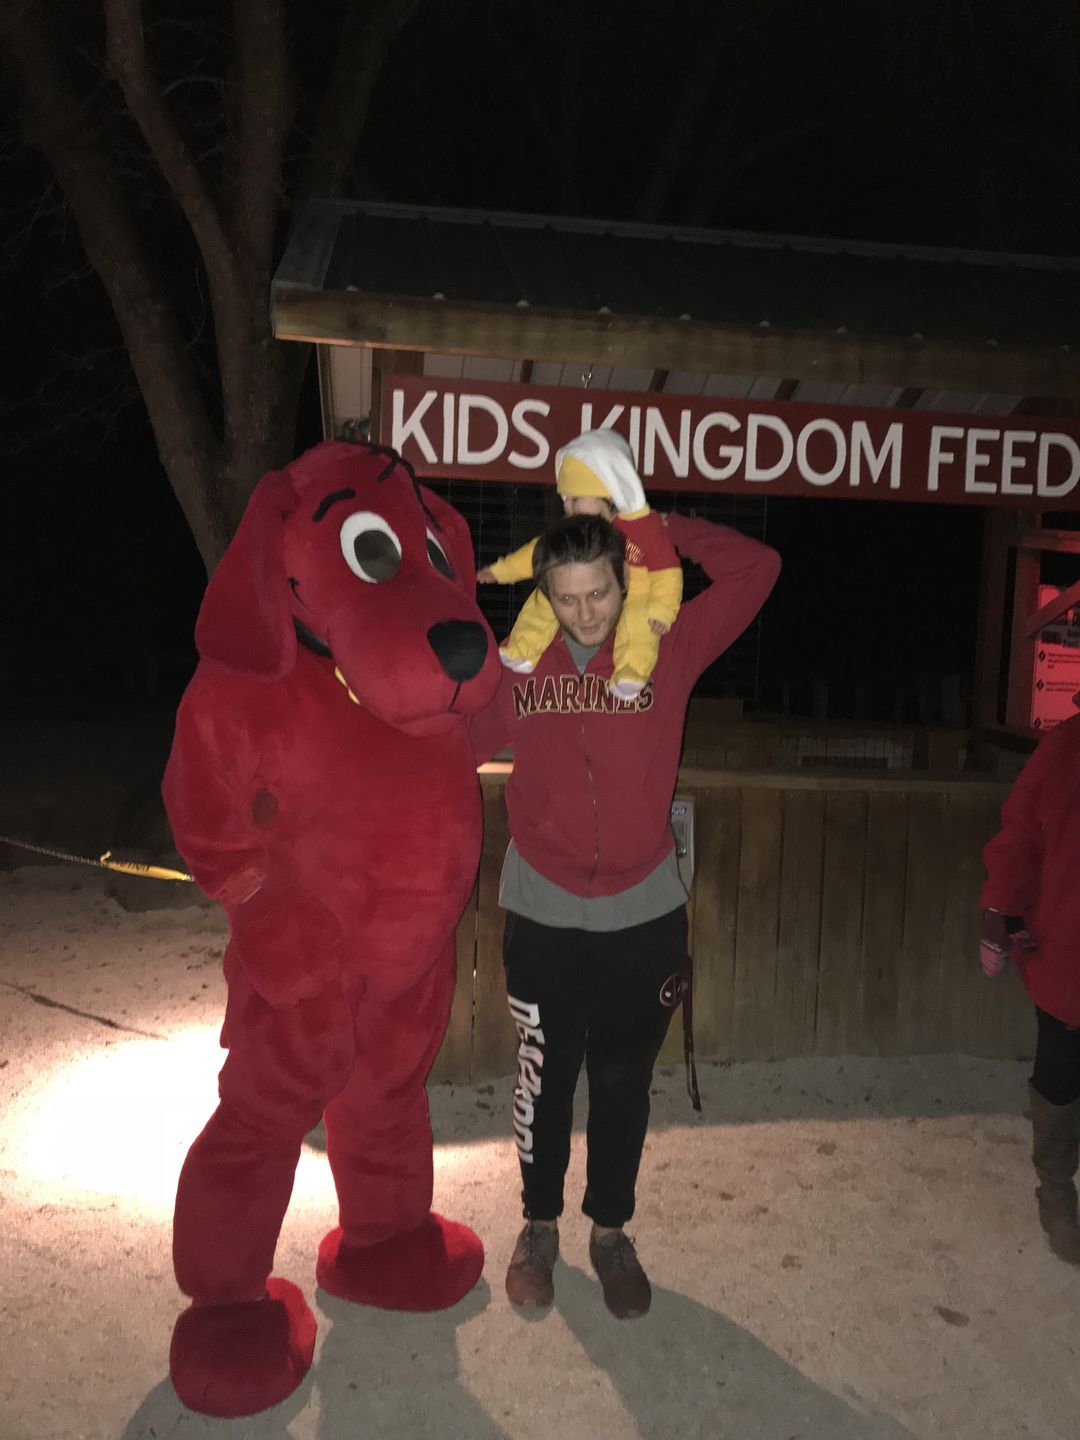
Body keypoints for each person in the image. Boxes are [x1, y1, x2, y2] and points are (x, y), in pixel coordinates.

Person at [469, 503, 780, 1318]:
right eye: (565, 597)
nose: (584, 614)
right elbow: (452, 744)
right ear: (544, 592)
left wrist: (649, 519)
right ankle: (539, 1226)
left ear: (625, 578)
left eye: (599, 593)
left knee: (622, 1082)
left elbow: (759, 570)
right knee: (544, 1081)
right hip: (541, 910)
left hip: (643, 915)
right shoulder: (518, 666)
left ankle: (609, 1233)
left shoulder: (666, 646)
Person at [478, 428, 682, 699]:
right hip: (593, 595)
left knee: (639, 625)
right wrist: (501, 571)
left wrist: (662, 610)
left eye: (574, 499)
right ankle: (522, 649)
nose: (568, 508)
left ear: (609, 491)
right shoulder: (575, 527)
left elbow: (668, 572)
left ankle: (631, 672)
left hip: (639, 593)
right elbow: (540, 552)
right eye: (565, 501)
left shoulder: (645, 526)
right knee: (545, 598)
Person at [981, 711, 1080, 1265]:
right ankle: (1057, 1190)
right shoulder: (1067, 747)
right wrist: (1000, 906)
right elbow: (1022, 833)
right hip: (1071, 945)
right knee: (1062, 1071)